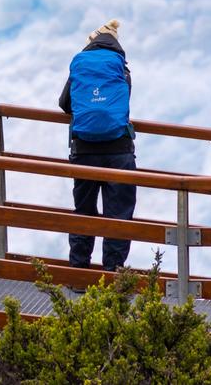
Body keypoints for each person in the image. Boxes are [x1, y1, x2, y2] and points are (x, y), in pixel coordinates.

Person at [59, 19, 136, 272]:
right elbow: (123, 104)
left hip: (84, 149)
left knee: (84, 210)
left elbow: (65, 103)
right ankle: (113, 275)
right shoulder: (121, 68)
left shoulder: (80, 64)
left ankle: (79, 271)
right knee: (119, 215)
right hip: (119, 151)